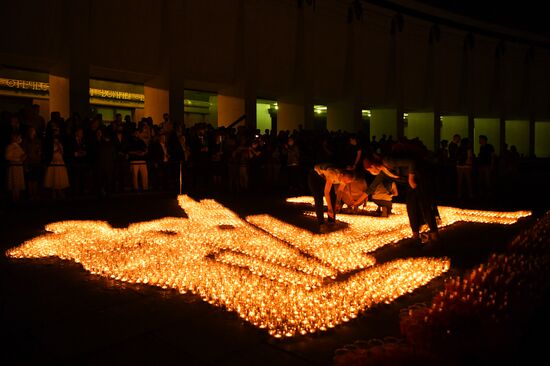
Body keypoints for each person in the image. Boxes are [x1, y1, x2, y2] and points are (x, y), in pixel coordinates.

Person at [363, 153, 439, 243]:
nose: (370, 172)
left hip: (420, 177)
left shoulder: (387, 161)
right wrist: (357, 201)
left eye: (369, 170)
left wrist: (411, 179)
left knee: (424, 205)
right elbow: (372, 187)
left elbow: (411, 162)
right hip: (410, 183)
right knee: (411, 207)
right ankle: (415, 235)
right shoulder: (383, 173)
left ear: (373, 165)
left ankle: (434, 236)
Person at [307, 163, 354, 233]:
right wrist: (330, 208)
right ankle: (321, 223)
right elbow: (326, 192)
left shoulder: (345, 177)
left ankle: (331, 221)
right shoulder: (333, 174)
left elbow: (340, 190)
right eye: (345, 181)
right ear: (341, 175)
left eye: (347, 182)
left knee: (333, 197)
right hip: (315, 176)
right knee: (318, 198)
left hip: (325, 177)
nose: (345, 183)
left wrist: (338, 202)